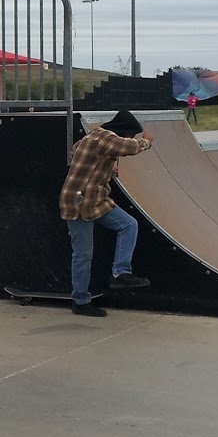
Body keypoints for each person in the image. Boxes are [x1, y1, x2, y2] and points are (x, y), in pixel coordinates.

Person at [58, 110, 154, 318]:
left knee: (128, 224)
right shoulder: (105, 137)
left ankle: (121, 272)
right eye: (130, 135)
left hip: (95, 201)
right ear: (124, 131)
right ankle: (80, 301)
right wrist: (145, 141)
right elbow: (128, 148)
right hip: (78, 201)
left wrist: (107, 168)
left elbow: (77, 152)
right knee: (83, 254)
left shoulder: (91, 137)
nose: (130, 139)